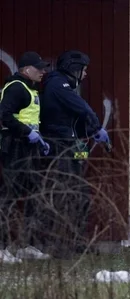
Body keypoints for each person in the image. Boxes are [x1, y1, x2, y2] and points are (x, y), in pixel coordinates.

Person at [39, 50, 110, 258]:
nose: (85, 74)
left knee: (79, 196)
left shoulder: (64, 86)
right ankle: (59, 244)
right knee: (65, 195)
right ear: (73, 68)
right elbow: (82, 108)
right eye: (84, 70)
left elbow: (70, 120)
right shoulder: (57, 84)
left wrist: (90, 133)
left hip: (68, 145)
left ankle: (76, 241)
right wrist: (97, 127)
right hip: (60, 148)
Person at [0, 51, 51, 262]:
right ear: (25, 70)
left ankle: (27, 245)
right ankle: (2, 249)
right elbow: (3, 115)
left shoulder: (31, 89)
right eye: (38, 68)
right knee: (8, 198)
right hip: (15, 149)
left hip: (29, 149)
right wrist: (26, 132)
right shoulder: (16, 88)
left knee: (33, 197)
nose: (43, 71)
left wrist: (38, 138)